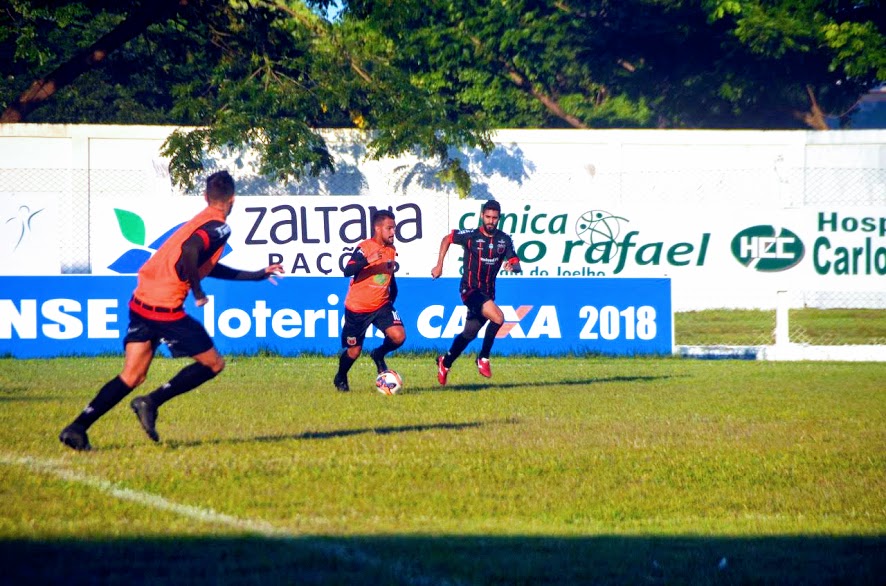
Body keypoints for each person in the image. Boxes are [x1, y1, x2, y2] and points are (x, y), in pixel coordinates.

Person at [58, 170, 283, 451]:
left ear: (205, 196)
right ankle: (151, 402)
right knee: (213, 364)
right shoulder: (219, 226)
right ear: (233, 199)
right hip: (164, 309)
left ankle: (77, 428)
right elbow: (190, 251)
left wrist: (256, 275)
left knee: (132, 375)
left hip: (141, 300)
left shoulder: (198, 221)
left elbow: (202, 263)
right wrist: (198, 292)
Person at [430, 199, 522, 385]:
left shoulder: (504, 239)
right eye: (487, 217)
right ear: (482, 216)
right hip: (470, 289)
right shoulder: (471, 236)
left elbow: (516, 263)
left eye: (494, 218)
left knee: (469, 334)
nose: (491, 221)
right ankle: (483, 358)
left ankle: (445, 362)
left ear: (499, 218)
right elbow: (447, 239)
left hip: (488, 293)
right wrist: (439, 265)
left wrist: (513, 267)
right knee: (498, 318)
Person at [333, 209, 405, 392]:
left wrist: (393, 291)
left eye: (394, 228)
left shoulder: (391, 249)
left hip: (381, 305)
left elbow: (389, 272)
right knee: (354, 351)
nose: (393, 232)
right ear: (378, 228)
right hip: (358, 309)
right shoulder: (364, 248)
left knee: (398, 337)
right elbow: (347, 271)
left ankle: (378, 354)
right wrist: (367, 260)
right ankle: (341, 376)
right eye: (389, 228)